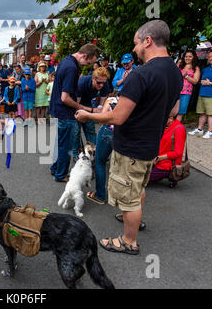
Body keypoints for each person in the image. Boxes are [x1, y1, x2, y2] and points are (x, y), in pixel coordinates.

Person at [75, 20, 183, 255]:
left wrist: (87, 115)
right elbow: (173, 112)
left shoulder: (141, 74)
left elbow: (118, 117)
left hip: (132, 146)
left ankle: (128, 240)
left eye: (136, 43)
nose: (134, 50)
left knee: (130, 195)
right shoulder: (176, 72)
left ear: (147, 41)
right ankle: (134, 219)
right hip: (150, 145)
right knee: (138, 188)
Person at [49, 43, 99, 182]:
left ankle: (56, 169)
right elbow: (65, 98)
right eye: (89, 62)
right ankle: (61, 175)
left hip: (59, 110)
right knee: (66, 146)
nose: (88, 65)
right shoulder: (71, 68)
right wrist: (83, 108)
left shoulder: (66, 60)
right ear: (83, 56)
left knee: (62, 143)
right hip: (65, 112)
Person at [86, 93, 119, 205]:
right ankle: (118, 196)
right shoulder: (134, 101)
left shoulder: (112, 100)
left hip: (108, 131)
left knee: (100, 161)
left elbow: (102, 120)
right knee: (119, 165)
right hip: (124, 134)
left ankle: (100, 195)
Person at [73, 67, 111, 159]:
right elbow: (76, 105)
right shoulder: (82, 83)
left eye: (103, 83)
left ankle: (94, 153)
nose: (101, 85)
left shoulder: (104, 83)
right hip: (75, 104)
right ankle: (77, 154)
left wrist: (100, 108)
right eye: (99, 83)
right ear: (93, 79)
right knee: (76, 132)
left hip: (88, 104)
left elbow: (102, 101)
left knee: (90, 130)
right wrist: (92, 110)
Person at [149, 115, 186, 188]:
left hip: (166, 165)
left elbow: (178, 152)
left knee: (139, 179)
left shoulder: (179, 129)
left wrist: (158, 158)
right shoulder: (165, 126)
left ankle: (171, 175)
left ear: (171, 118)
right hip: (156, 160)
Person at [177, 50, 201, 122]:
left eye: (190, 56)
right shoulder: (180, 65)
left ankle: (175, 130)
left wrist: (186, 76)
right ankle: (168, 129)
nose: (187, 58)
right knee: (171, 111)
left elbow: (195, 81)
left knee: (180, 112)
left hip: (186, 93)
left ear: (194, 57)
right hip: (175, 91)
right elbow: (172, 76)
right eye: (186, 56)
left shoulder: (196, 68)